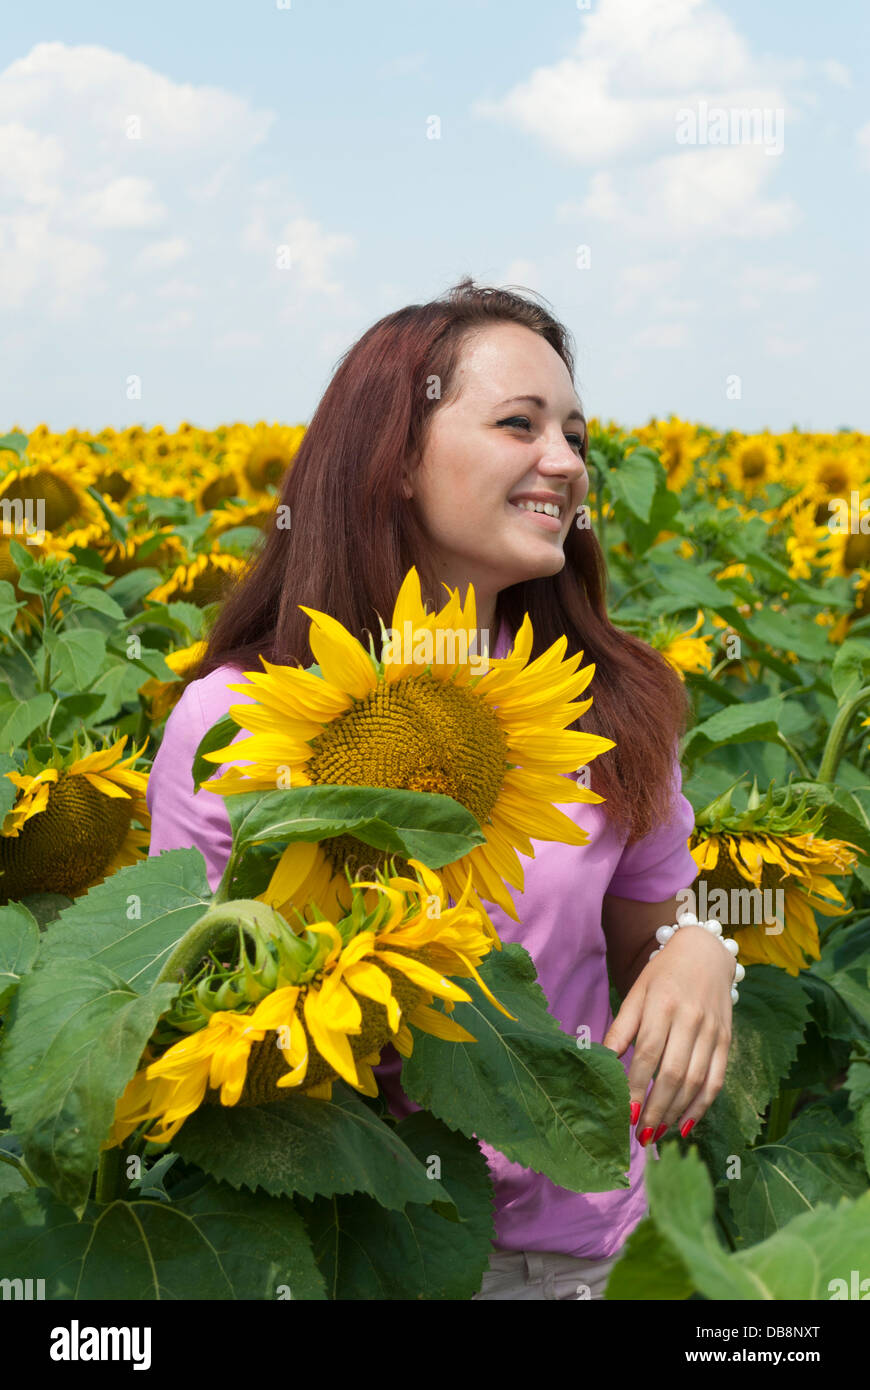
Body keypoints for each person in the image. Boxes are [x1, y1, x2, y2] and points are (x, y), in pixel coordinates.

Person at [146, 277, 736, 1300]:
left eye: (576, 437)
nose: (566, 462)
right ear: (397, 461)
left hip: (584, 1252)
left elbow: (664, 931)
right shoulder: (236, 719)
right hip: (354, 1244)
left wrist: (704, 950)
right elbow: (175, 998)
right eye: (520, 424)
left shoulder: (604, 704)